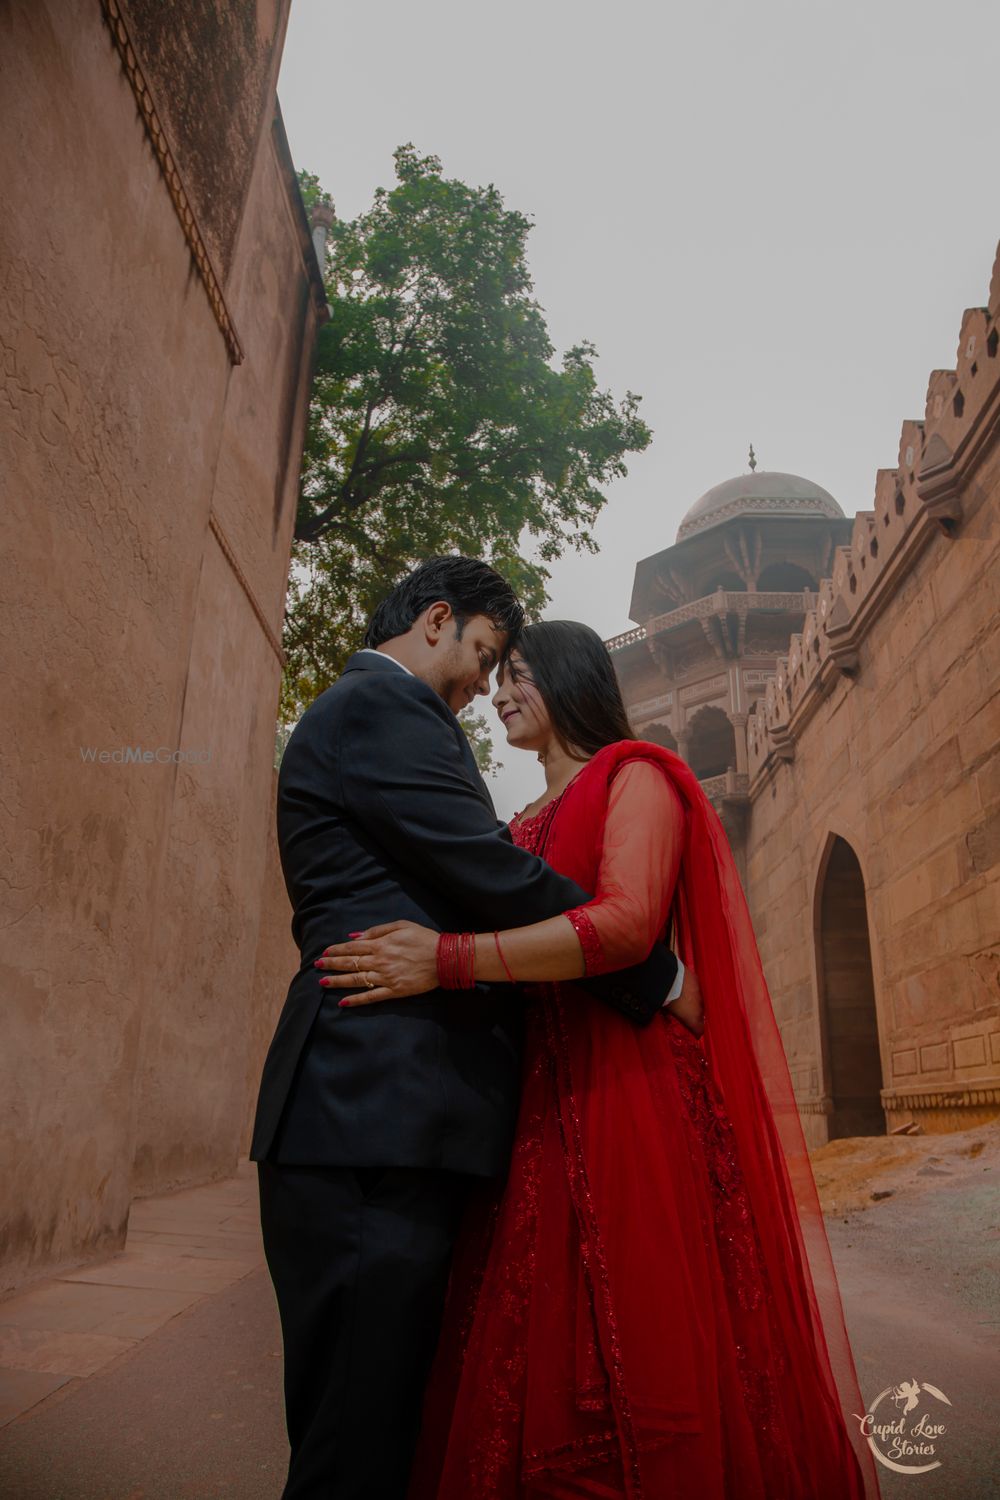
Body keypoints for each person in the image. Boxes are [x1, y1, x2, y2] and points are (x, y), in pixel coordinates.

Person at [319, 620, 881, 1500]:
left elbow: (623, 927)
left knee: (639, 1336)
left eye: (519, 675)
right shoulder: (513, 829)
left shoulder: (637, 775)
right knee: (530, 1350)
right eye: (495, 677)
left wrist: (447, 957)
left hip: (631, 1092)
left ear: (574, 678)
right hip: (536, 1099)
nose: (500, 693)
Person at [250, 562, 695, 1500]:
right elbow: (489, 874)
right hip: (377, 1102)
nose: (480, 687)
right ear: (438, 621)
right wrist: (653, 974)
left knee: (365, 1420)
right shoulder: (384, 710)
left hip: (372, 1108)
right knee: (357, 1437)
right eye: (482, 656)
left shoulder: (368, 716)